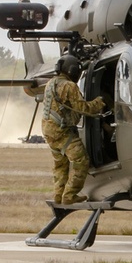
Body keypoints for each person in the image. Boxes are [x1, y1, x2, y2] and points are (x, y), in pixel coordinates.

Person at [41, 54, 105, 205]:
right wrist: (99, 102)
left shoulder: (50, 83)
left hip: (49, 131)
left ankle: (58, 195)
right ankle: (70, 195)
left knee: (60, 164)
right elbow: (84, 108)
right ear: (73, 71)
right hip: (62, 132)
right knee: (81, 161)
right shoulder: (69, 86)